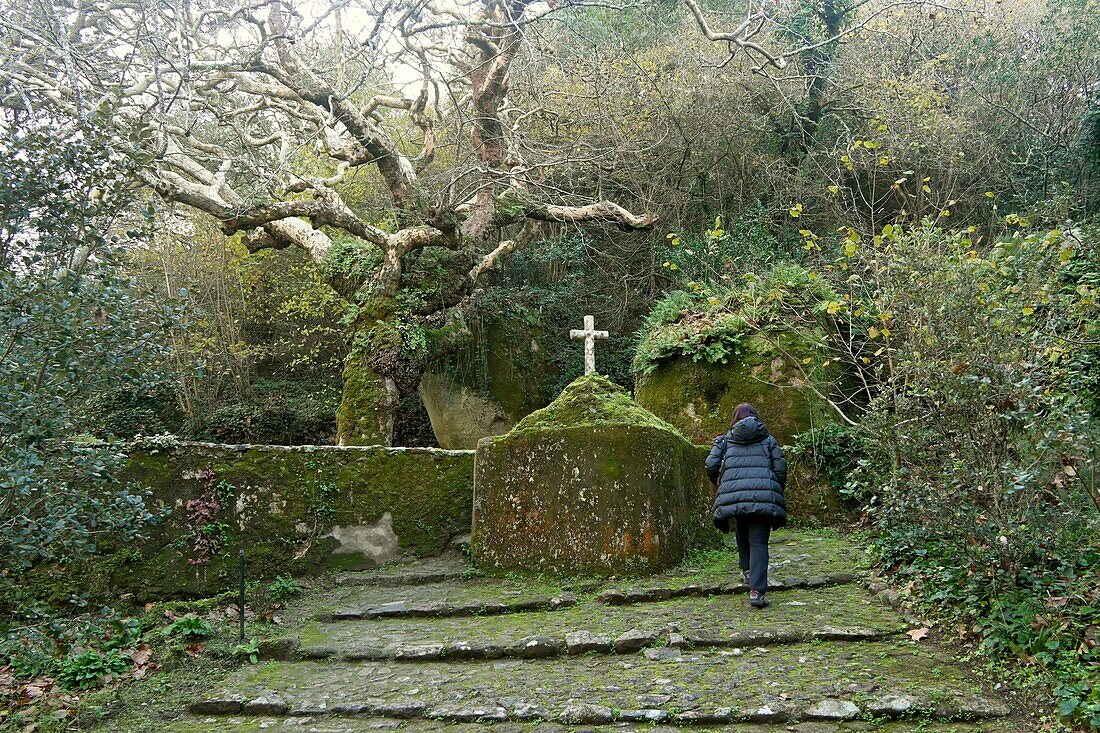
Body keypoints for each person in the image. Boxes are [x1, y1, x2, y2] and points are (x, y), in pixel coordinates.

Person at [705, 403, 787, 609]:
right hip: (763, 494)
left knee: (741, 528)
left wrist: (720, 482)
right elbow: (780, 468)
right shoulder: (768, 439)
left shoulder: (725, 440)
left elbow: (711, 464)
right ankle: (756, 591)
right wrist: (773, 487)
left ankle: (747, 571)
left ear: (735, 419)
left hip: (735, 494)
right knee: (759, 542)